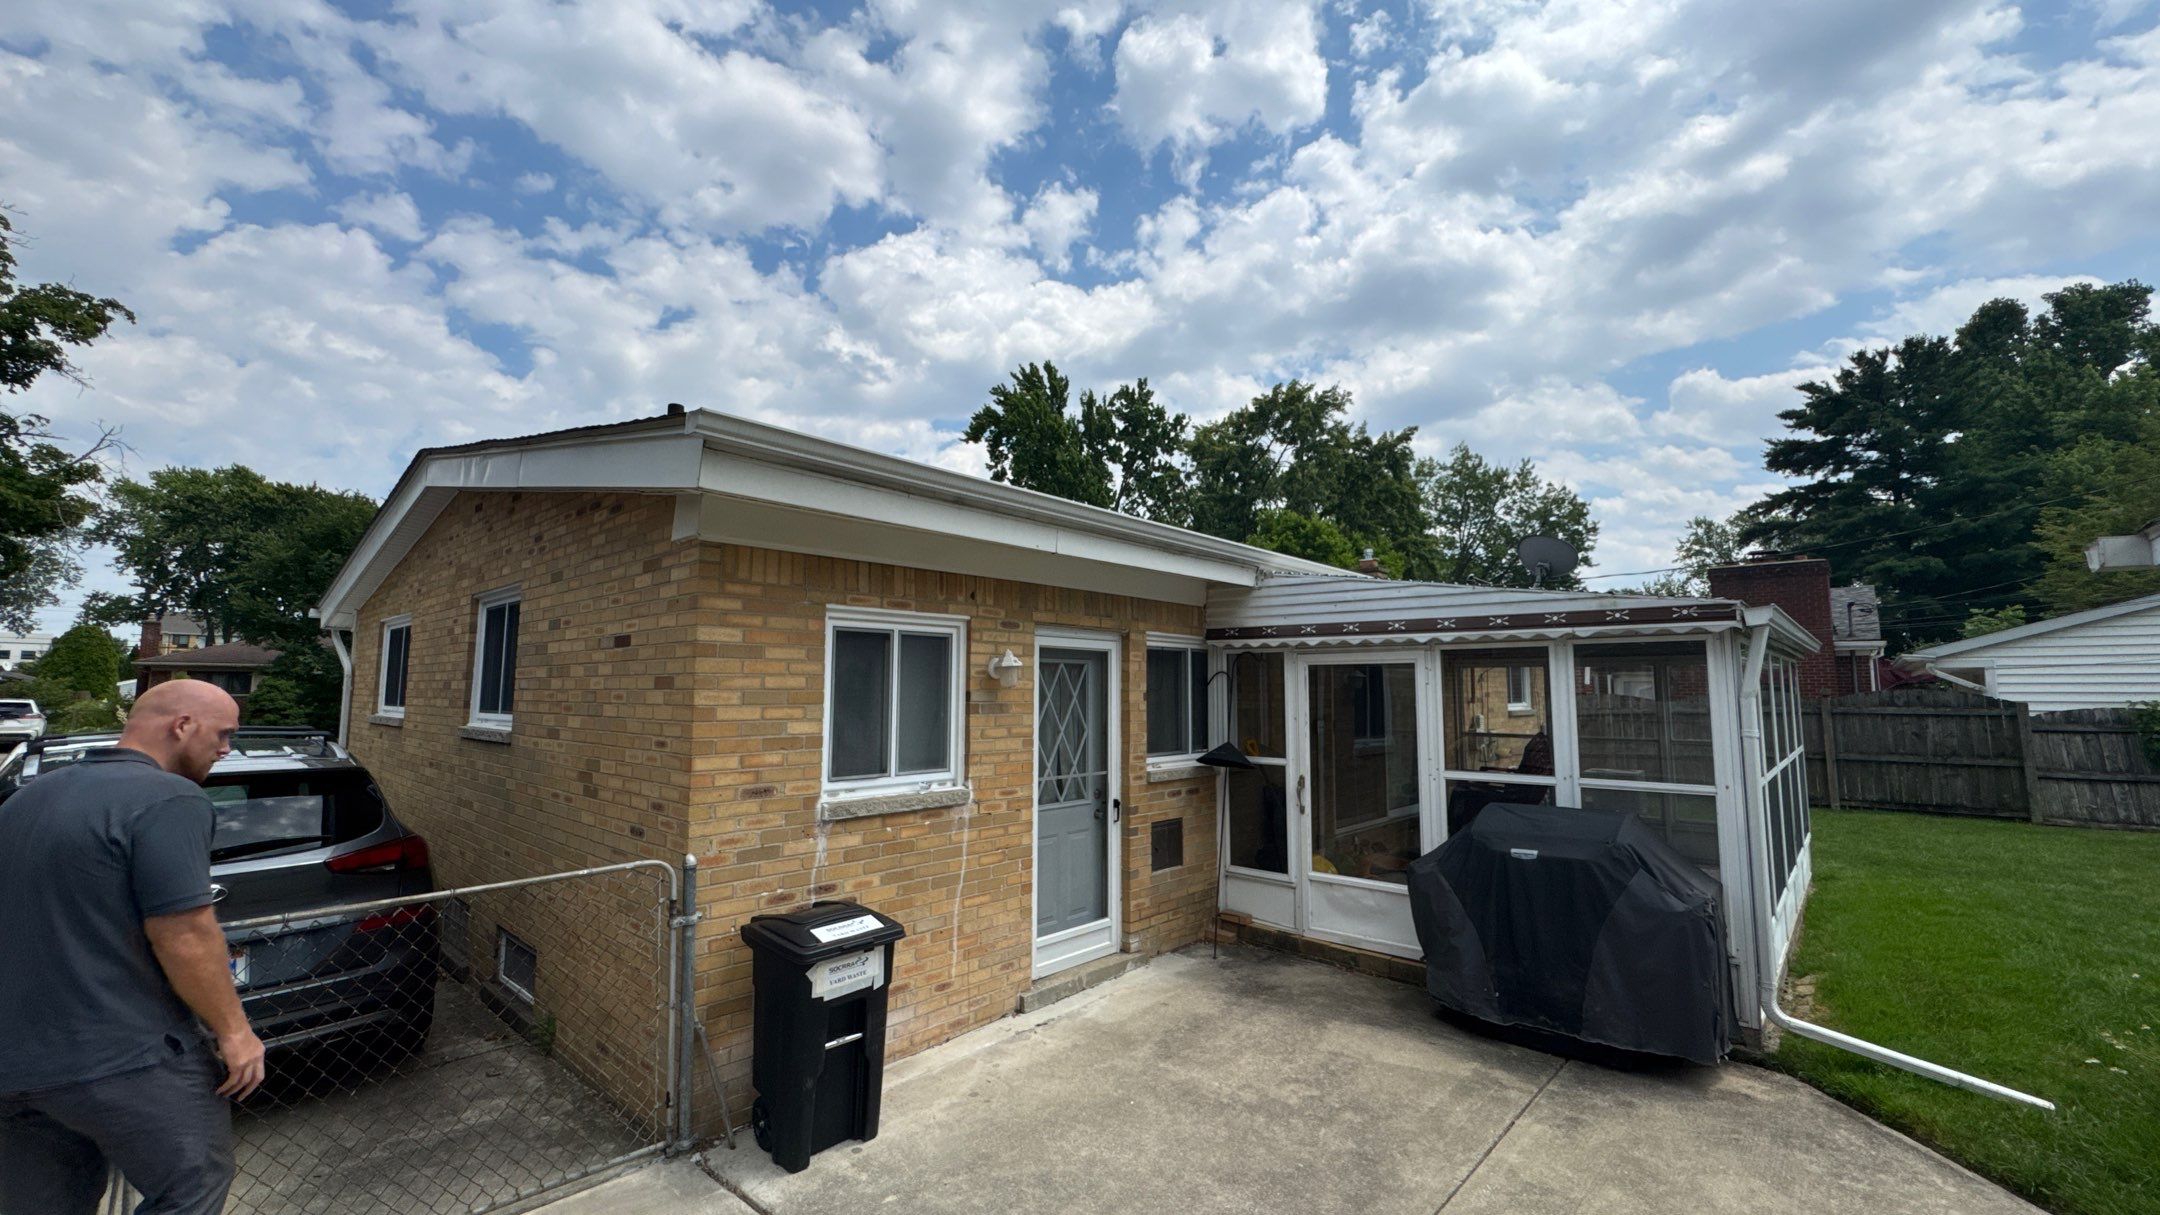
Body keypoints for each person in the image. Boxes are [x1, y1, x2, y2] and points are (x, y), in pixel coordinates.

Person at [0, 679, 265, 1215]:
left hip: (16, 1066)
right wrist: (235, 1032)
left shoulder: (26, 798)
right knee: (193, 1184)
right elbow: (184, 932)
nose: (226, 749)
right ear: (182, 726)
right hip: (125, 1056)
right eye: (223, 734)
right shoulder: (171, 798)